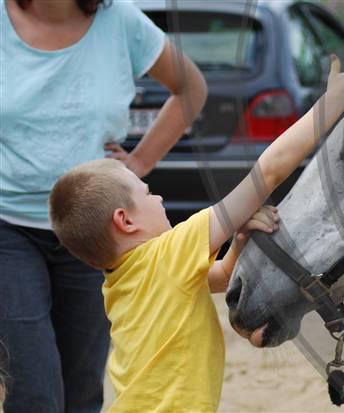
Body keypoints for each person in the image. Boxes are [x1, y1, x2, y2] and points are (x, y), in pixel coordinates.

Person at [48, 51, 344, 412]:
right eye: (146, 191)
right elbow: (268, 172)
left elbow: (217, 278)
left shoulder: (122, 280)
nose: (157, 196)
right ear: (125, 221)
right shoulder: (169, 252)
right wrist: (330, 106)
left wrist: (236, 244)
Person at [0, 0, 206, 411]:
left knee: (82, 389)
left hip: (95, 235)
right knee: (33, 390)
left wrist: (140, 161)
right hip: (8, 229)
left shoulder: (121, 20)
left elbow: (191, 88)